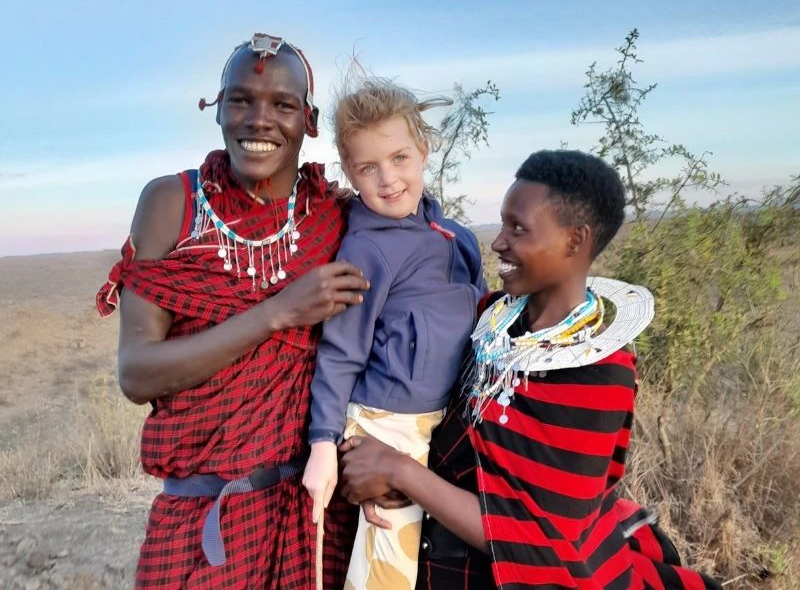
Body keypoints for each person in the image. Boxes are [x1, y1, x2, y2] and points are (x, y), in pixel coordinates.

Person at [340, 150, 722, 589]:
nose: (498, 243)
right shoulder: (491, 319)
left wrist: (401, 473)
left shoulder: (598, 377)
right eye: (502, 225)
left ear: (575, 240)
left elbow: (539, 540)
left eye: (517, 228)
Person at [96, 33, 367, 589]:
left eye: (282, 105)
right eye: (241, 100)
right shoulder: (173, 203)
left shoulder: (334, 214)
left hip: (313, 513)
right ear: (218, 108)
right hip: (200, 523)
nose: (259, 120)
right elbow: (136, 374)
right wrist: (276, 313)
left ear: (309, 121)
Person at [300, 77, 486, 590]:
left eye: (400, 157)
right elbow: (341, 352)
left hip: (450, 419)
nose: (388, 179)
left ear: (423, 150)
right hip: (388, 425)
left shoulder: (457, 238)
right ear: (350, 172)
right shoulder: (366, 250)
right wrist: (323, 444)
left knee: (448, 559)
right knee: (389, 573)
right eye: (368, 168)